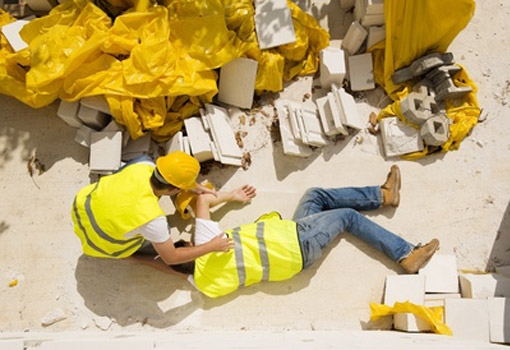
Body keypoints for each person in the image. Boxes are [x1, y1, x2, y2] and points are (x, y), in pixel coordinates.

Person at [170, 165, 440, 298]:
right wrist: (232, 195)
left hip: (291, 252)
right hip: (296, 242)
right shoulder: (205, 243)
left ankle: (384, 195)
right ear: (189, 247)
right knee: (347, 217)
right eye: (185, 241)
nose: (189, 237)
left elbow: (172, 264)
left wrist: (146, 258)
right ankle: (406, 254)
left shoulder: (205, 286)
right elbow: (203, 201)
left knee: (315, 197)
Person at [71, 151, 233, 269]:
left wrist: (194, 187)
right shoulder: (152, 218)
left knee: (140, 159)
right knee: (164, 234)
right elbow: (171, 258)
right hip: (101, 243)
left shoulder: (143, 165)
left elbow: (168, 177)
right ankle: (132, 254)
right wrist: (212, 246)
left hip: (82, 208)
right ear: (172, 190)